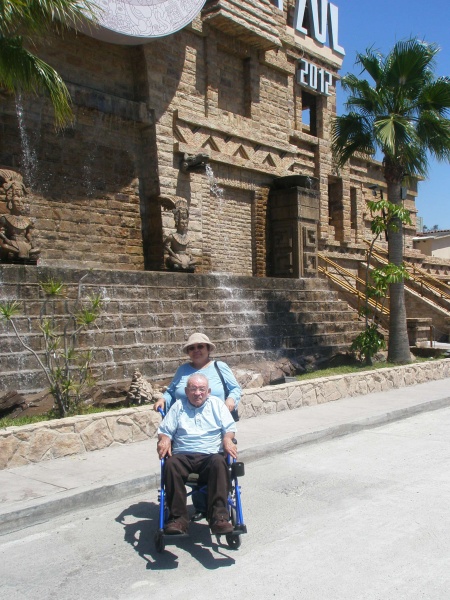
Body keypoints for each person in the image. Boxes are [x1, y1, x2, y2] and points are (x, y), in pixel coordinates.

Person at [157, 373, 237, 535]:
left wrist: (228, 439)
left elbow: (229, 429)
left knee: (219, 463)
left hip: (210, 455)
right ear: (186, 391)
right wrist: (164, 439)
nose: (197, 393)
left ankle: (219, 518)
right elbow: (165, 431)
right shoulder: (178, 406)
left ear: (208, 391)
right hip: (183, 455)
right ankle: (178, 519)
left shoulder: (217, 405)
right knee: (171, 464)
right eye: (193, 389)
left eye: (201, 389)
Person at [153, 332, 241, 416]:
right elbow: (170, 392)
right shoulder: (182, 370)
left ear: (208, 349)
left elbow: (235, 388)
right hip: (185, 423)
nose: (196, 350)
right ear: (188, 352)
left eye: (200, 346)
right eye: (192, 348)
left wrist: (231, 399)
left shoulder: (220, 367)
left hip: (216, 421)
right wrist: (162, 400)